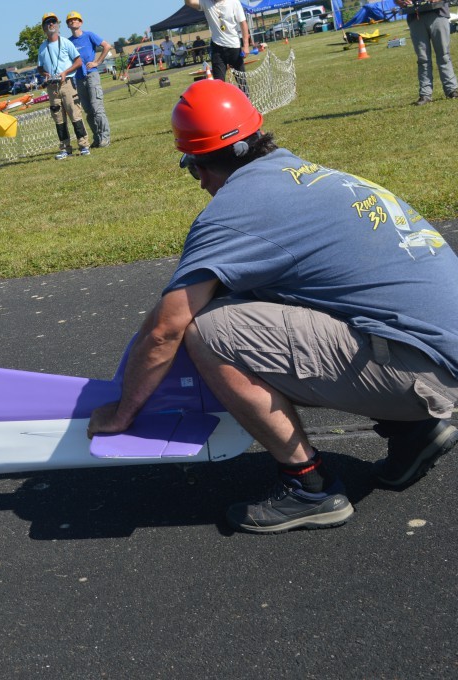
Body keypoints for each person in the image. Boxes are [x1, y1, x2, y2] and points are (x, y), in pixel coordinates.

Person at [88, 79, 458, 534]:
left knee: (209, 330)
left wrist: (122, 412)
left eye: (191, 168)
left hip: (424, 372)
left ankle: (309, 487)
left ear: (201, 164)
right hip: (436, 351)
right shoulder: (304, 172)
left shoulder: (235, 210)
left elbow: (167, 327)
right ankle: (413, 432)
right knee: (263, 293)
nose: (199, 182)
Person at [37, 12, 90, 160]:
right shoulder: (42, 47)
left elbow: (78, 62)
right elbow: (39, 67)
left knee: (75, 114)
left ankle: (84, 146)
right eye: (47, 22)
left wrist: (65, 72)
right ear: (44, 28)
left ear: (58, 25)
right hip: (52, 87)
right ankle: (65, 149)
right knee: (58, 119)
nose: (51, 24)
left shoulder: (66, 43)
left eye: (53, 21)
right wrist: (44, 74)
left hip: (67, 84)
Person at [393, 0, 458, 105]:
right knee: (423, 59)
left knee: (444, 55)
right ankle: (425, 95)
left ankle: (451, 90)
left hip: (438, 13)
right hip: (415, 17)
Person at [66, 11, 112, 148]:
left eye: (75, 19)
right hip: (79, 79)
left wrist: (97, 62)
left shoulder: (89, 35)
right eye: (70, 20)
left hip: (92, 75)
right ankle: (97, 138)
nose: (73, 21)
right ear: (68, 25)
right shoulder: (68, 42)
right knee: (88, 111)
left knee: (97, 108)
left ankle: (105, 137)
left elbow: (107, 46)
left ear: (81, 22)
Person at [184, 0, 250, 82]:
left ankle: (244, 91)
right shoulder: (206, 2)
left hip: (234, 46)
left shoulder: (234, 2)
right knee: (218, 82)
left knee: (242, 82)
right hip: (217, 48)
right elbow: (189, 2)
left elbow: (243, 23)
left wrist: (246, 46)